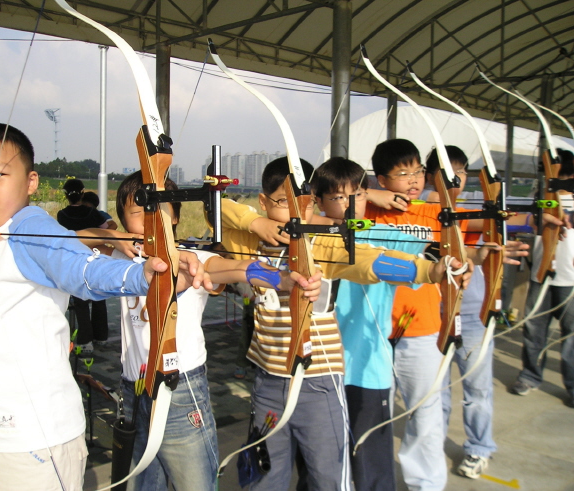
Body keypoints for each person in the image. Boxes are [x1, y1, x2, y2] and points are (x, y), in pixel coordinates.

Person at [0, 122, 211, 491]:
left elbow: (83, 271)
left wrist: (145, 276)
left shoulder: (29, 229)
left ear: (31, 182)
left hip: (33, 442)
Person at [221, 156, 466, 491]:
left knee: (329, 474)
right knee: (266, 473)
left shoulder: (322, 242)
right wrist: (256, 223)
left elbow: (369, 261)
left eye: (306, 204)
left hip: (319, 380)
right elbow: (216, 208)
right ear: (263, 201)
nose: (296, 214)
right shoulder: (246, 242)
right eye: (283, 202)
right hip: (269, 380)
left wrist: (429, 271)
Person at [79, 170, 321, 491]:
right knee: (141, 484)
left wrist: (285, 279)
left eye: (160, 210)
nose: (151, 220)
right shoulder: (123, 256)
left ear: (176, 215)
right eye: (138, 212)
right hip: (134, 389)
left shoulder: (194, 258)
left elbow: (237, 268)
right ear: (124, 220)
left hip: (181, 390)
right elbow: (70, 239)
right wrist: (115, 238)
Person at [366, 139, 540, 490]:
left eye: (417, 172)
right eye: (402, 174)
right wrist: (369, 195)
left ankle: (426, 484)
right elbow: (325, 199)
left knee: (425, 413)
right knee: (372, 416)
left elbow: (462, 246)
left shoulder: (438, 213)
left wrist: (484, 254)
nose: (413, 180)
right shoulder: (366, 211)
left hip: (423, 328)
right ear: (382, 180)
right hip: (372, 330)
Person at [313, 157, 426, 491]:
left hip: (367, 367)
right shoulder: (310, 236)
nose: (351, 205)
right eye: (338, 197)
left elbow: (433, 246)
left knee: (371, 461)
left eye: (359, 195)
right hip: (319, 369)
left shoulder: (386, 236)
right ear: (318, 201)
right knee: (321, 463)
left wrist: (461, 262)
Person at [421, 146, 497, 479]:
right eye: (447, 173)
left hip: (470, 314)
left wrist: (536, 214)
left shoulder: (469, 213)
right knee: (437, 390)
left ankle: (480, 447)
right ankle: (434, 447)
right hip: (433, 314)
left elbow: (499, 220)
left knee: (477, 389)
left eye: (462, 172)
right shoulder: (418, 210)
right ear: (429, 177)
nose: (456, 179)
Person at [510, 148, 574, 409]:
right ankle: (530, 376)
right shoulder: (541, 198)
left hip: (570, 278)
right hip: (541, 274)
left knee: (571, 336)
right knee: (534, 330)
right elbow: (526, 218)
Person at [57, 179, 110, 354]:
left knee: (80, 303)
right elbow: (106, 227)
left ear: (66, 195)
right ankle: (101, 335)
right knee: (99, 297)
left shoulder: (62, 215)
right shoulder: (92, 213)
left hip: (74, 260)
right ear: (83, 193)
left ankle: (85, 341)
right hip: (95, 257)